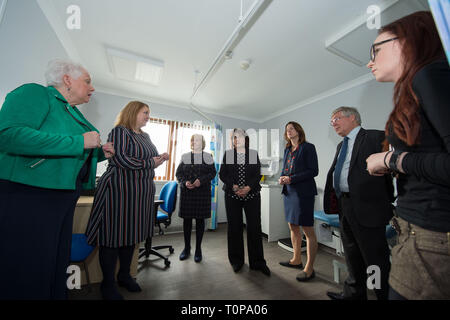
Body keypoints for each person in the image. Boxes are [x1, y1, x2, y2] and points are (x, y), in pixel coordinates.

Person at [0, 59, 114, 300]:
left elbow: (73, 154)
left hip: (62, 198)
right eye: (88, 81)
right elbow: (9, 135)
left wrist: (101, 152)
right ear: (67, 80)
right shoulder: (35, 93)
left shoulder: (71, 112)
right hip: (30, 194)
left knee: (53, 263)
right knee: (28, 266)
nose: (92, 88)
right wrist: (80, 142)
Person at [366, 11, 450, 300]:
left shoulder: (429, 75)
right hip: (416, 231)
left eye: (375, 50)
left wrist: (390, 160)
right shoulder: (418, 87)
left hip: (429, 237)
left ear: (406, 41)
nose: (370, 61)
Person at [85, 101, 168, 300]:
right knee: (113, 236)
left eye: (149, 113)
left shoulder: (146, 136)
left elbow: (146, 160)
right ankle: (108, 283)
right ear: (133, 112)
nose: (148, 116)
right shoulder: (120, 132)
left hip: (140, 192)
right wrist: (151, 162)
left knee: (130, 235)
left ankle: (124, 275)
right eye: (145, 112)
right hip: (119, 190)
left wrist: (159, 159)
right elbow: (122, 159)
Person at [324, 107, 394, 300]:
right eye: (332, 121)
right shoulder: (341, 145)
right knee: (352, 255)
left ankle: (382, 295)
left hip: (368, 207)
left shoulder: (375, 137)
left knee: (374, 260)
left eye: (337, 118)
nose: (334, 123)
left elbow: (394, 162)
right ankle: (353, 294)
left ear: (352, 117)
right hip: (345, 206)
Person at [219, 128, 270, 276]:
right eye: (234, 138)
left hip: (252, 194)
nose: (237, 140)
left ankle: (258, 262)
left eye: (239, 137)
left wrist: (248, 187)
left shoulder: (253, 154)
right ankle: (236, 261)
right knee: (234, 228)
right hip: (232, 195)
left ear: (245, 139)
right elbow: (223, 174)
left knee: (254, 227)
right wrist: (234, 186)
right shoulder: (228, 155)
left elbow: (257, 173)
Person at [278, 122, 319, 282]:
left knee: (307, 229)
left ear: (298, 131)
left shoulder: (308, 148)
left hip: (303, 194)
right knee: (292, 226)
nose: (288, 131)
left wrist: (291, 178)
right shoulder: (287, 149)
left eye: (291, 129)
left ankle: (309, 268)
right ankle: (296, 259)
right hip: (289, 192)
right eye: (287, 129)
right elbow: (285, 169)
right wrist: (282, 177)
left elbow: (313, 171)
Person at [175, 134, 217, 262]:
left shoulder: (208, 157)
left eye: (197, 140)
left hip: (202, 193)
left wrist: (201, 180)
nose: (194, 142)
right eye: (192, 140)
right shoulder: (185, 156)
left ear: (202, 143)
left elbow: (213, 173)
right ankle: (186, 248)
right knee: (187, 222)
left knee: (200, 222)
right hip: (187, 193)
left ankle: (198, 249)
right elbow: (179, 174)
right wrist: (185, 182)